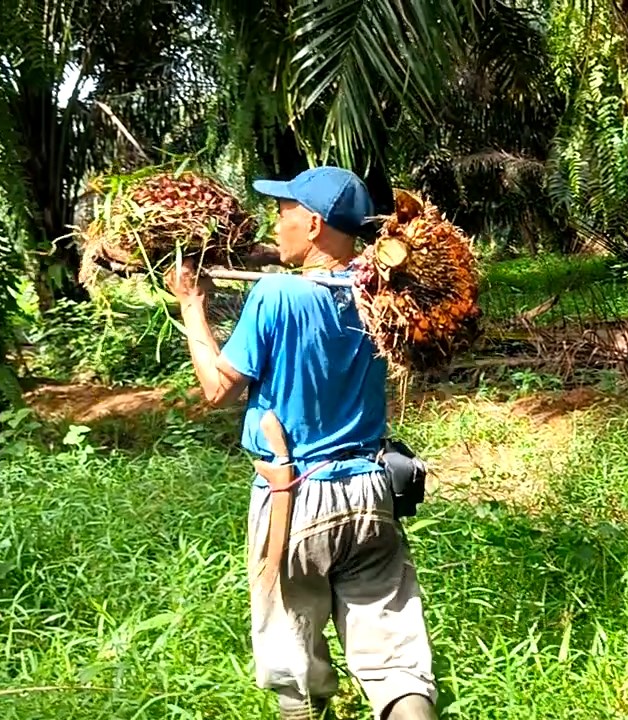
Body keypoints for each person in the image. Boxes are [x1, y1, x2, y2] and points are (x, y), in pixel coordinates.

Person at [165, 166, 439, 720]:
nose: (277, 220)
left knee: (294, 665)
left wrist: (192, 304)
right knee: (396, 662)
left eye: (285, 211)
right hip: (371, 492)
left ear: (312, 224)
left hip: (295, 496)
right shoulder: (380, 295)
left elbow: (217, 388)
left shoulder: (274, 295)